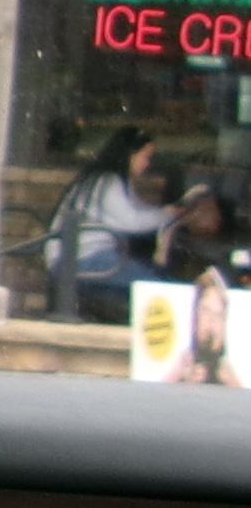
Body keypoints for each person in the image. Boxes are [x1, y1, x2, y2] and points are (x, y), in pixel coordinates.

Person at [46, 126, 166, 323]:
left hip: (79, 258)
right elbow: (132, 221)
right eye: (145, 157)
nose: (147, 164)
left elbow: (139, 212)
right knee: (155, 286)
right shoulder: (108, 182)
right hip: (82, 259)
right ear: (130, 155)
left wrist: (166, 213)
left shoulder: (107, 181)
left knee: (143, 282)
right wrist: (170, 214)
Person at [163, 265, 243, 386]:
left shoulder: (229, 376)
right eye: (206, 311)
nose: (211, 322)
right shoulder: (181, 367)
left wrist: (232, 384)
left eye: (218, 315)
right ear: (196, 315)